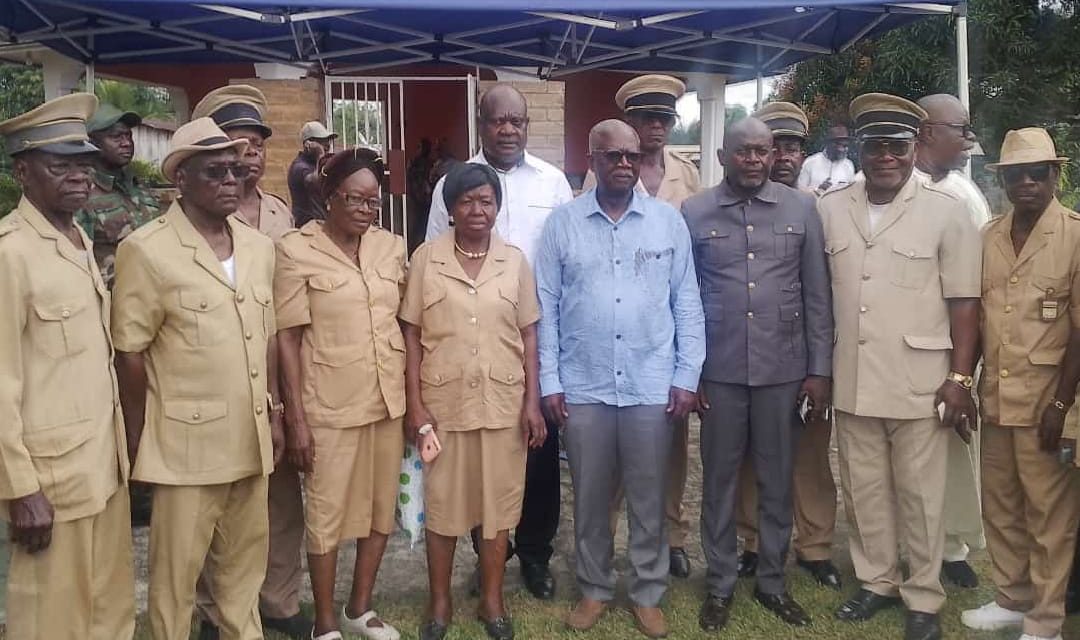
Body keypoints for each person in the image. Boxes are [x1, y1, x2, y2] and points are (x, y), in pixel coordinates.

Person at [113, 117, 285, 640]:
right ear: (181, 180)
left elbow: (267, 337)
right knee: (175, 587)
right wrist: (138, 438)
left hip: (250, 443)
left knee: (242, 577)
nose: (231, 181)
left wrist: (275, 415)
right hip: (185, 452)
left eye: (236, 170)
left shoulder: (257, 248)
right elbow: (130, 352)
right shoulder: (146, 249)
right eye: (216, 172)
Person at [821, 94, 981, 640]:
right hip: (854, 376)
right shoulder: (830, 206)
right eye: (875, 147)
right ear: (860, 151)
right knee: (864, 489)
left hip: (921, 381)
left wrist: (960, 379)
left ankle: (923, 596)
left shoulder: (947, 211)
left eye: (898, 146)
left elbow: (965, 304)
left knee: (920, 495)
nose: (886, 156)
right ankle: (876, 582)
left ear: (915, 149)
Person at [537, 119, 705, 639]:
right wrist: (549, 380)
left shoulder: (667, 224)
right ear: (592, 159)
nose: (625, 164)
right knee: (589, 495)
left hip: (650, 384)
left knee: (649, 495)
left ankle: (648, 591)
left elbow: (688, 303)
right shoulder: (562, 224)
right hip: (583, 385)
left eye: (632, 155)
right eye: (613, 156)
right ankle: (594, 588)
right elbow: (546, 306)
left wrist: (686, 374)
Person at [681, 116, 831, 631]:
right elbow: (683, 299)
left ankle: (772, 581)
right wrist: (690, 373)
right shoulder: (694, 211)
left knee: (776, 481)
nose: (753, 160)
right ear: (723, 155)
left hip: (782, 370)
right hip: (718, 370)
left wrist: (819, 371)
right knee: (719, 482)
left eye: (762, 152)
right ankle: (719, 584)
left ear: (774, 156)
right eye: (742, 151)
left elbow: (817, 296)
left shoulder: (802, 209)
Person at [425, 84, 573, 602]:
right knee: (475, 466)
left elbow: (566, 259)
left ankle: (534, 555)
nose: (508, 130)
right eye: (497, 121)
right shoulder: (453, 181)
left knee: (536, 455)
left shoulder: (553, 183)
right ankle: (489, 558)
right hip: (469, 346)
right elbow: (431, 261)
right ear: (480, 125)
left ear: (527, 125)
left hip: (535, 338)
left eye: (517, 121)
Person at [0, 93, 134, 639]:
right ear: (22, 172)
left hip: (101, 462)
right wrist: (19, 487)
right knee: (51, 620)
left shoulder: (76, 236)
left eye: (83, 164)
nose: (79, 177)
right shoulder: (11, 253)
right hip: (49, 478)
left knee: (108, 607)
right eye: (61, 166)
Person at [402, 162, 546, 640]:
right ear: (450, 208)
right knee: (443, 508)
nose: (477, 209)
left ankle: (492, 599)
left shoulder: (515, 261)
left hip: (503, 405)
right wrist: (415, 406)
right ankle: (439, 602)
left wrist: (532, 404)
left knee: (498, 509)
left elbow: (528, 335)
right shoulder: (427, 258)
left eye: (486, 200)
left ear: (498, 207)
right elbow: (411, 334)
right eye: (467, 201)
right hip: (443, 408)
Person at [189, 84, 306, 639]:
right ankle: (216, 609)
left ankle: (278, 600)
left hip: (277, 378)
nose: (249, 155)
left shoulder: (281, 213)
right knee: (219, 508)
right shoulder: (186, 218)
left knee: (280, 501)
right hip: (215, 388)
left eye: (257, 144)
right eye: (237, 145)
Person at [274, 148, 405, 640]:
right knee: (326, 516)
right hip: (327, 404)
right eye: (355, 198)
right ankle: (325, 622)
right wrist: (295, 418)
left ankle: (359, 609)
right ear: (328, 197)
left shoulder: (390, 248)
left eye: (374, 202)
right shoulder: (295, 250)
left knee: (379, 508)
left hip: (387, 402)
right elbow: (286, 337)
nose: (366, 210)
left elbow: (405, 320)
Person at [961, 128, 1080, 640]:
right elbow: (979, 317)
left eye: (1038, 173)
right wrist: (964, 383)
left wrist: (1061, 403)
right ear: (1003, 180)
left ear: (1056, 176)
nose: (1027, 182)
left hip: (1048, 402)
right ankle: (1012, 597)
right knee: (1002, 504)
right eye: (1016, 175)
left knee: (1050, 518)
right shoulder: (989, 235)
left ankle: (1046, 620)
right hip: (996, 398)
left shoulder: (1075, 234)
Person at [582, 74, 701, 579]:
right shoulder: (601, 174)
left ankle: (670, 535)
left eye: (664, 118)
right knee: (607, 461)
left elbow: (691, 271)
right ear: (628, 124)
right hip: (607, 345)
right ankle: (603, 540)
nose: (656, 127)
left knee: (668, 453)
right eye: (646, 118)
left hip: (660, 339)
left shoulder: (688, 176)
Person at [732, 101, 841, 591]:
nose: (783, 157)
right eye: (777, 147)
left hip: (800, 360)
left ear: (798, 153)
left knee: (810, 458)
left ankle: (815, 547)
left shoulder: (822, 205)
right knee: (751, 458)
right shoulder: (734, 206)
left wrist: (819, 368)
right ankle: (754, 544)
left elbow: (821, 296)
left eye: (793, 147)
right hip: (749, 362)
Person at [914, 93, 990, 590]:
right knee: (907, 455)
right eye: (959, 129)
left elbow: (978, 286)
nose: (968, 139)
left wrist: (965, 367)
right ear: (925, 133)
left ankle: (953, 547)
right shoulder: (884, 187)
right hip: (903, 349)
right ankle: (914, 545)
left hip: (957, 349)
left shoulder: (966, 194)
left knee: (956, 451)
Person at [76, 102, 162, 288]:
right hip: (111, 302)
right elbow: (77, 262)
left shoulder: (140, 188)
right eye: (116, 137)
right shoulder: (81, 194)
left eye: (128, 136)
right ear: (92, 143)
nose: (126, 143)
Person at [289, 121, 337, 226]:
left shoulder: (314, 164)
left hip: (321, 226)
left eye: (327, 142)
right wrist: (320, 155)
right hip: (306, 228)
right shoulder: (300, 167)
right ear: (308, 144)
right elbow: (316, 182)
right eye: (322, 142)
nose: (327, 146)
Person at [798, 123, 855, 195]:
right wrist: (818, 190)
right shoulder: (811, 162)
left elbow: (852, 195)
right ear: (828, 143)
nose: (841, 149)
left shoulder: (848, 165)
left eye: (844, 146)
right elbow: (799, 192)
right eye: (838, 144)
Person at [407, 138, 434, 255]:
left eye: (419, 147)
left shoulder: (420, 162)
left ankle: (416, 251)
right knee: (419, 226)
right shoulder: (423, 162)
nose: (417, 150)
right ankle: (417, 251)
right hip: (420, 198)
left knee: (418, 227)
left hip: (420, 198)